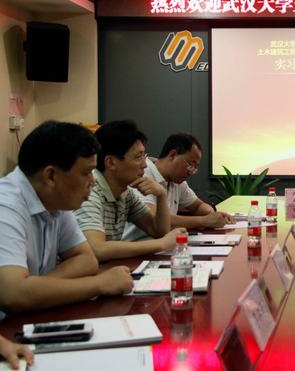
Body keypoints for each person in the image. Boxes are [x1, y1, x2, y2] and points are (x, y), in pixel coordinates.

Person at [0, 121, 133, 317]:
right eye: (86, 172)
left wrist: (35, 288)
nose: (93, 182)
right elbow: (12, 294)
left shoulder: (55, 198)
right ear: (51, 176)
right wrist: (100, 283)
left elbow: (87, 260)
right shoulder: (6, 205)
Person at [74, 121, 185, 262]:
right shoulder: (90, 191)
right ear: (111, 162)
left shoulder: (125, 193)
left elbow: (157, 230)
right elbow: (96, 249)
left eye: (144, 156)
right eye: (138, 157)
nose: (144, 165)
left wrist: (161, 195)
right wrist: (161, 244)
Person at [122, 133, 235, 241]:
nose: (191, 172)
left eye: (195, 168)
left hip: (163, 246)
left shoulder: (177, 181)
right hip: (137, 248)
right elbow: (153, 218)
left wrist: (212, 214)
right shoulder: (143, 173)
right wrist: (204, 221)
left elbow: (197, 206)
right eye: (190, 165)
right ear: (172, 155)